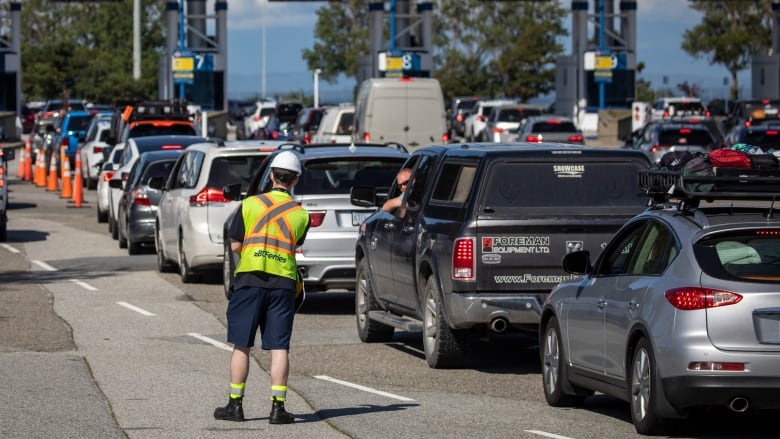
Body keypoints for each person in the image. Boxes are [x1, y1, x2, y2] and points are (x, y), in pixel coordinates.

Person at [214, 150, 310, 425]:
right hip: (282, 283)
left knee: (242, 345)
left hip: (249, 280)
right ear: (295, 180)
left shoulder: (249, 205)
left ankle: (235, 405)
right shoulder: (301, 214)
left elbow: (234, 244)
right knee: (279, 347)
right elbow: (297, 244)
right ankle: (278, 408)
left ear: (271, 176)